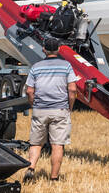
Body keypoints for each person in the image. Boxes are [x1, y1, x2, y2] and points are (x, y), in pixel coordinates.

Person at [23, 37, 79, 182]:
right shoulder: (66, 66)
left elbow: (29, 91)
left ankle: (31, 168)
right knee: (57, 145)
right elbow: (72, 89)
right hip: (60, 110)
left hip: (40, 110)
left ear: (44, 49)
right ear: (59, 49)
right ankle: (54, 178)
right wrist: (69, 107)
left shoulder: (36, 67)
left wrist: (33, 104)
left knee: (36, 143)